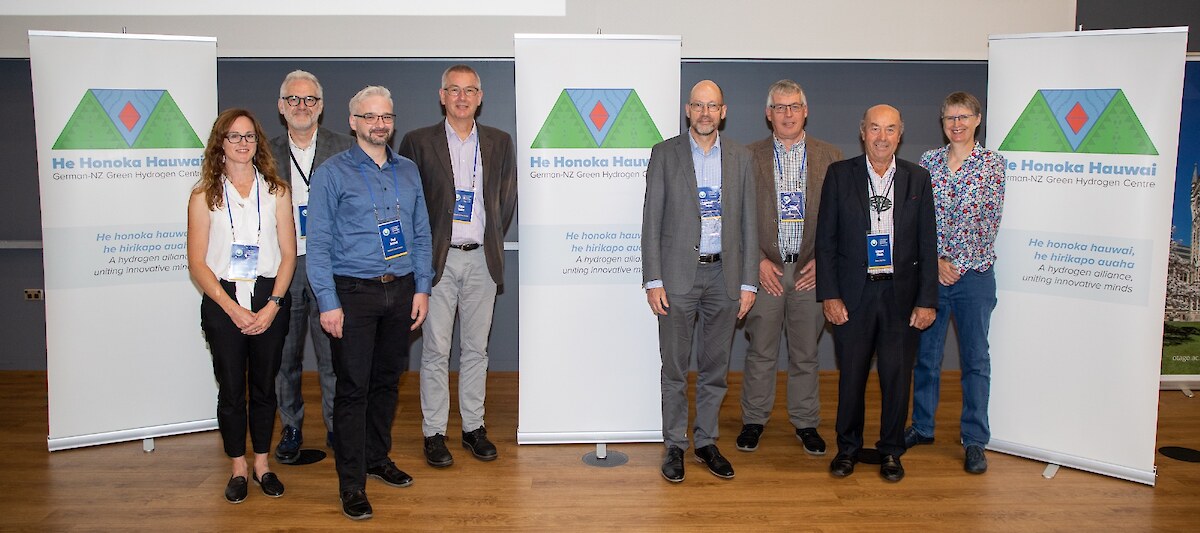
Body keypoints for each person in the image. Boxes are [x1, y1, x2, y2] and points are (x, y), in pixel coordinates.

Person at [306, 85, 433, 520]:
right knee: (353, 388)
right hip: (353, 294)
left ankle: (377, 459)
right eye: (370, 117)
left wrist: (422, 287)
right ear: (353, 121)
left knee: (386, 382)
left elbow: (420, 234)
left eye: (386, 117)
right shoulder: (332, 173)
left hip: (400, 291)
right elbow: (318, 243)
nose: (380, 124)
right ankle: (351, 482)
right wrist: (327, 301)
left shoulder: (409, 171)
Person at [398, 64, 517, 467]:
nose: (462, 97)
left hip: (482, 259)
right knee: (434, 351)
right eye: (454, 90)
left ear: (480, 98)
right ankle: (434, 433)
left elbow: (505, 200)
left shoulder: (500, 142)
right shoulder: (418, 142)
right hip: (438, 262)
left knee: (476, 350)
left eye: (470, 90)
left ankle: (473, 428)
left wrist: (484, 238)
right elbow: (410, 205)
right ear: (442, 96)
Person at [642, 80, 758, 483]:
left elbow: (748, 223)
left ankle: (707, 441)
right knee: (674, 369)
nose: (706, 112)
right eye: (698, 105)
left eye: (713, 106)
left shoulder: (742, 158)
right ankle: (674, 444)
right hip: (676, 279)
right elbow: (651, 220)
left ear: (723, 112)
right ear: (687, 110)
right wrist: (653, 279)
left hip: (724, 277)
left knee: (715, 369)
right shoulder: (664, 154)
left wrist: (748, 283)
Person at [815, 104, 937, 483]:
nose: (881, 137)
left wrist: (927, 299)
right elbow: (826, 241)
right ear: (862, 132)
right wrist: (830, 295)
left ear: (900, 135)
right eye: (874, 129)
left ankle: (890, 451)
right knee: (851, 376)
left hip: (902, 296)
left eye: (890, 130)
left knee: (896, 377)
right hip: (854, 295)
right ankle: (847, 449)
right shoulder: (839, 175)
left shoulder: (918, 179)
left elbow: (927, 244)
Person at [187, 108, 296, 503]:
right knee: (232, 391)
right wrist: (233, 309)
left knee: (264, 388)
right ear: (221, 143)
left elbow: (288, 254)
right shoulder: (203, 196)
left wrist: (273, 305)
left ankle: (263, 465)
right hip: (222, 299)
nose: (243, 142)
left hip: (270, 295)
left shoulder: (277, 192)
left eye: (249, 135)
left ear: (258, 142)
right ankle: (237, 467)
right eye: (234, 136)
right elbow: (197, 263)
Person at [738, 80, 842, 455]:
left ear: (805, 110)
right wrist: (757, 261)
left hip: (810, 272)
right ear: (768, 114)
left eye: (793, 106)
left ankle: (805, 422)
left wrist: (824, 263)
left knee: (805, 354)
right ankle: (753, 420)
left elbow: (843, 219)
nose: (787, 114)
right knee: (761, 351)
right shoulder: (747, 157)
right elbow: (736, 218)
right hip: (766, 270)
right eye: (779, 108)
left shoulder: (830, 156)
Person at [906, 92, 1005, 474]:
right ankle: (923, 427)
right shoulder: (928, 162)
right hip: (932, 275)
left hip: (975, 276)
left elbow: (988, 224)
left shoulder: (992, 165)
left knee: (975, 361)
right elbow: (914, 220)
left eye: (964, 116)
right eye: (950, 117)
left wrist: (956, 264)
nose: (957, 124)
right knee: (926, 358)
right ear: (942, 121)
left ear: (977, 119)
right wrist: (935, 263)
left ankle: (975, 439)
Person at [270, 70, 355, 462]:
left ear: (320, 107)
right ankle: (291, 427)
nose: (301, 107)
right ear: (281, 107)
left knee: (332, 356)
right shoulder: (262, 153)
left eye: (309, 100)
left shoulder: (344, 147)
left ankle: (339, 428)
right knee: (284, 357)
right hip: (281, 266)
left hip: (330, 266)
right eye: (293, 100)